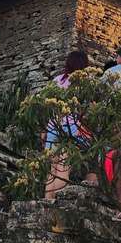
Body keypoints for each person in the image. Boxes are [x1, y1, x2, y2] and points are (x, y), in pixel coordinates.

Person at [45, 51, 95, 199]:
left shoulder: (57, 80)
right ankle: (56, 207)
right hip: (74, 126)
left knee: (53, 169)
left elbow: (47, 106)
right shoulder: (87, 82)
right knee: (64, 166)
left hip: (54, 125)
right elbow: (89, 110)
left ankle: (46, 202)